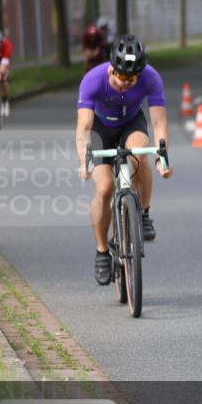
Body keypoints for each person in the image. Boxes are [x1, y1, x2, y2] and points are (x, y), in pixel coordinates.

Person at [75, 34, 173, 286]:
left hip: (131, 123)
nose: (127, 83)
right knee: (105, 187)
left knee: (140, 151)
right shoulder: (93, 80)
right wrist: (83, 160)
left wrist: (162, 158)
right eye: (122, 77)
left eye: (133, 78)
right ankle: (101, 251)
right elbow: (84, 127)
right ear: (112, 69)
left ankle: (144, 214)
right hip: (100, 129)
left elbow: (159, 122)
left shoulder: (151, 77)